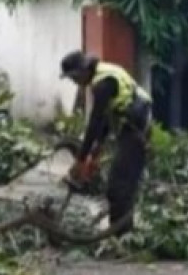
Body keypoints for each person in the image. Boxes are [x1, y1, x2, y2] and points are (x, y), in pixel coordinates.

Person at [60, 50, 151, 232]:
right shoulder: (103, 75)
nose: (74, 82)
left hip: (136, 131)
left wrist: (81, 159)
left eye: (74, 78)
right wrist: (95, 152)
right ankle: (122, 231)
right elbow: (106, 119)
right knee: (122, 185)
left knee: (119, 186)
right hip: (130, 126)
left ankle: (122, 236)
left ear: (83, 70)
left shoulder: (102, 84)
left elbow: (95, 122)